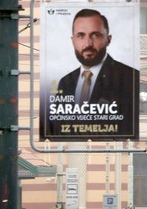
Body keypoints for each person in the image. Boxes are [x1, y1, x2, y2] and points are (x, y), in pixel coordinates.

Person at [47, 8, 139, 137]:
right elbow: (55, 129)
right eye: (80, 36)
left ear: (108, 39)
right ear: (73, 40)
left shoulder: (130, 78)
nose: (88, 43)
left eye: (95, 35)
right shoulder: (65, 82)